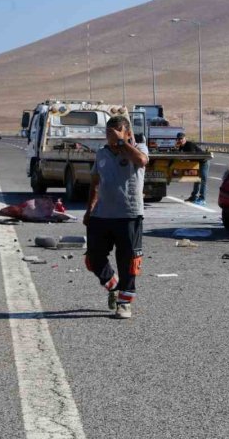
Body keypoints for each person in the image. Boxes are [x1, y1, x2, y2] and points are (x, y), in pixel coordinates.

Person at [83, 115, 149, 319]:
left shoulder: (138, 150)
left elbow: (142, 161)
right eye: (108, 131)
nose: (111, 134)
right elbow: (95, 181)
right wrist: (89, 209)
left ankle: (124, 304)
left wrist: (122, 142)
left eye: (117, 130)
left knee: (128, 261)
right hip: (101, 215)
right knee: (93, 258)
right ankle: (113, 284)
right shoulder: (101, 154)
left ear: (128, 132)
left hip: (128, 214)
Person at [176, 132, 209, 206]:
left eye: (181, 138)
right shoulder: (181, 147)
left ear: (185, 138)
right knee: (196, 179)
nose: (180, 140)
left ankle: (202, 199)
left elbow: (193, 156)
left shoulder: (189, 145)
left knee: (203, 179)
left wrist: (185, 160)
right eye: (179, 139)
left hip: (203, 162)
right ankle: (194, 196)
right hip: (196, 163)